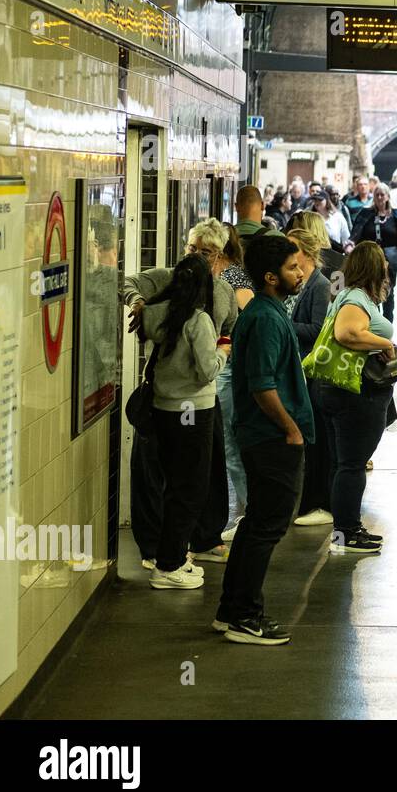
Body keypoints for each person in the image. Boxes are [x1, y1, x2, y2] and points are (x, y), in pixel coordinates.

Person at [214, 235, 313, 646]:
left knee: (256, 524)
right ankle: (245, 618)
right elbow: (262, 386)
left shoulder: (264, 310)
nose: (301, 273)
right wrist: (291, 429)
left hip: (266, 437)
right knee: (265, 528)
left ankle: (230, 610)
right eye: (293, 268)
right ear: (271, 277)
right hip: (271, 439)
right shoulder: (269, 319)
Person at [124, 221, 237, 570]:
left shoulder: (222, 292)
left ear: (218, 257)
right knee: (154, 468)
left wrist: (219, 347)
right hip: (165, 393)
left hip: (201, 397)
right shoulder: (165, 277)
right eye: (191, 249)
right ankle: (155, 547)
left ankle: (204, 537)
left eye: (205, 252)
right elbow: (127, 282)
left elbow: (229, 327)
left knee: (204, 470)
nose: (195, 256)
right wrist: (140, 303)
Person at [313, 242, 397, 555]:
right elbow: (346, 333)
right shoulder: (356, 299)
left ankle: (346, 528)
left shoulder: (348, 295)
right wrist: (384, 342)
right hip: (353, 393)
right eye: (384, 265)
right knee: (351, 465)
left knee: (343, 463)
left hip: (336, 390)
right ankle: (347, 532)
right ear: (375, 269)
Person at [286, 228, 335, 527]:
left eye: (292, 248)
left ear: (306, 252)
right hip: (299, 368)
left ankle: (319, 502)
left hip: (311, 370)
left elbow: (317, 330)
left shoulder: (320, 285)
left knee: (317, 439)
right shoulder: (301, 283)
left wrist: (283, 326)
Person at [218, 223, 255, 542]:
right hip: (229, 366)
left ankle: (248, 513)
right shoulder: (234, 276)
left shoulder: (233, 278)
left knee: (231, 441)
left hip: (229, 368)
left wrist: (232, 345)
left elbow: (251, 315)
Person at [348, 183, 397, 324]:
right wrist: (350, 245)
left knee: (388, 294)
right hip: (370, 260)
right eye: (377, 194)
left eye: (382, 194)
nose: (379, 197)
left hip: (389, 262)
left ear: (387, 196)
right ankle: (372, 323)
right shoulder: (366, 213)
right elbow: (356, 232)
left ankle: (387, 325)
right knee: (369, 291)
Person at [312, 188, 350, 252]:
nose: (317, 202)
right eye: (315, 200)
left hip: (334, 255)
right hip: (316, 255)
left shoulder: (337, 217)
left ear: (327, 201)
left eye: (320, 200)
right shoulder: (311, 218)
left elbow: (346, 238)